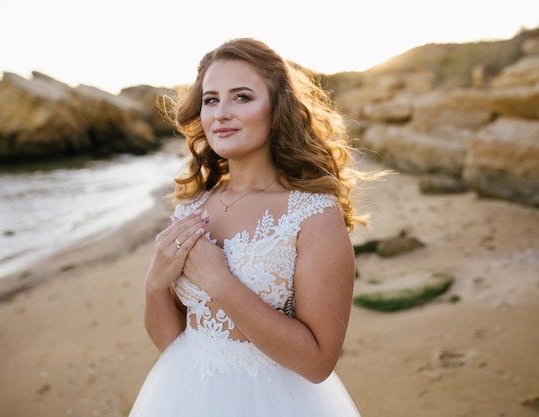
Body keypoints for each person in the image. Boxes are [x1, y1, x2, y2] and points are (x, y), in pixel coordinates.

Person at [129, 37, 380, 417]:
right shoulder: (192, 207)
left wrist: (219, 281)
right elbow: (173, 342)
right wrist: (154, 282)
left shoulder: (313, 215)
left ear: (276, 109)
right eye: (211, 99)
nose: (221, 113)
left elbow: (318, 362)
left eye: (241, 97)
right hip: (185, 395)